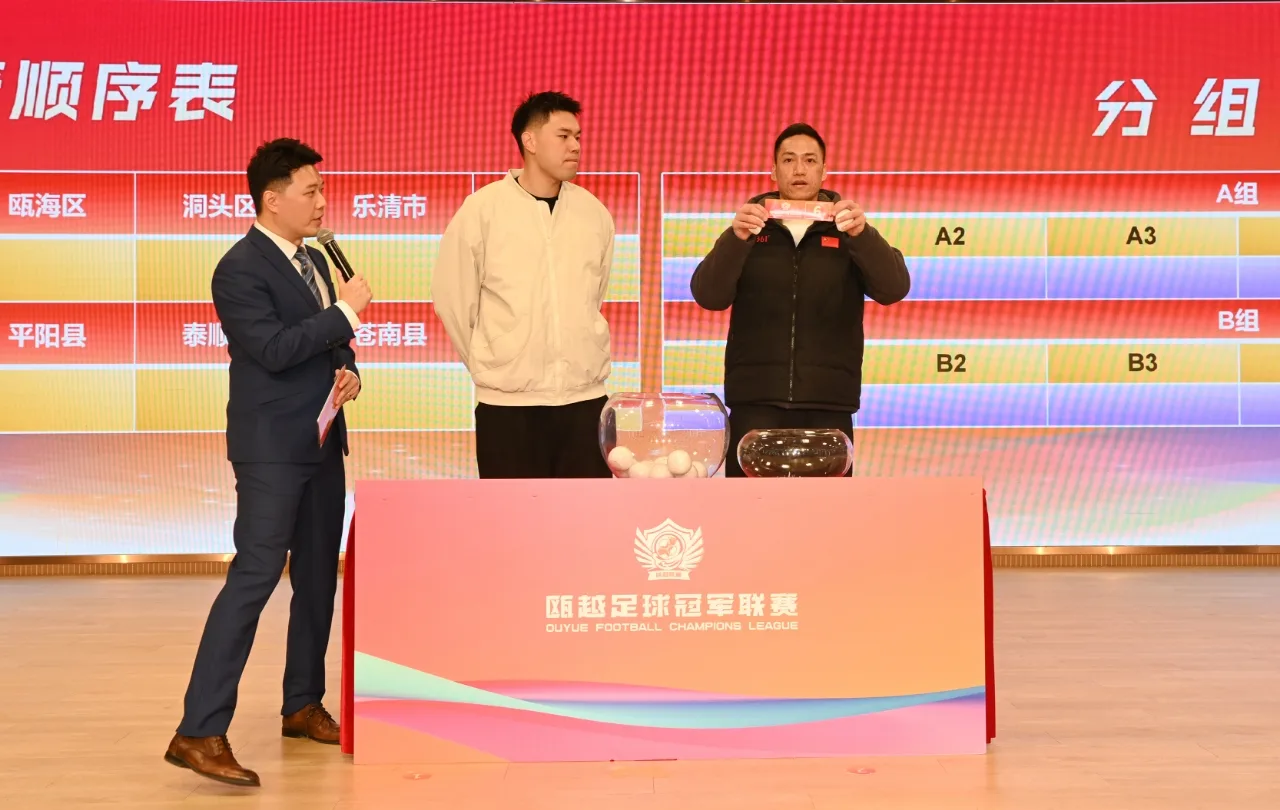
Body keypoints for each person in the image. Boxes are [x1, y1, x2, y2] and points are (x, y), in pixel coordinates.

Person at [164, 138, 373, 787]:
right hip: (271, 451)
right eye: (311, 190)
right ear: (272, 198)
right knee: (255, 575)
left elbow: (330, 342)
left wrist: (348, 369)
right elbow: (274, 349)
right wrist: (345, 310)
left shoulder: (313, 259)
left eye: (321, 189)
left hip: (321, 441)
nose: (322, 201)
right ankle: (198, 730)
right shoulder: (240, 268)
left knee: (317, 577)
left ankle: (302, 704)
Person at [689, 123, 910, 477]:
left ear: (824, 170)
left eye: (809, 160)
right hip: (755, 403)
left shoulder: (848, 230)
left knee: (824, 511)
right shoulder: (749, 228)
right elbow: (708, 295)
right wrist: (736, 238)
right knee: (749, 508)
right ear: (773, 170)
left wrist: (863, 235)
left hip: (829, 404)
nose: (799, 169)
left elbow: (894, 288)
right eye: (789, 160)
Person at [434, 91, 616, 479]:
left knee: (586, 515)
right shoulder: (482, 210)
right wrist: (495, 363)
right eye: (563, 136)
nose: (575, 146)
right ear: (529, 141)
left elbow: (594, 296)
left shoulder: (594, 213)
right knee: (513, 517)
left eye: (578, 137)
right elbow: (454, 301)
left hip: (586, 402)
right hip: (507, 409)